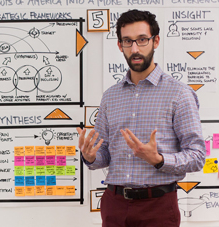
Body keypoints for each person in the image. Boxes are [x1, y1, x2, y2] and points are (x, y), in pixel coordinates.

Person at [77, 9, 205, 227]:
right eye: (127, 41)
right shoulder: (110, 96)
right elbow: (104, 156)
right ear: (120, 45)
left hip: (158, 206)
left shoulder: (179, 94)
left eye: (142, 40)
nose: (135, 49)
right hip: (114, 205)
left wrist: (158, 160)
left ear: (155, 41)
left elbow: (197, 156)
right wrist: (90, 157)